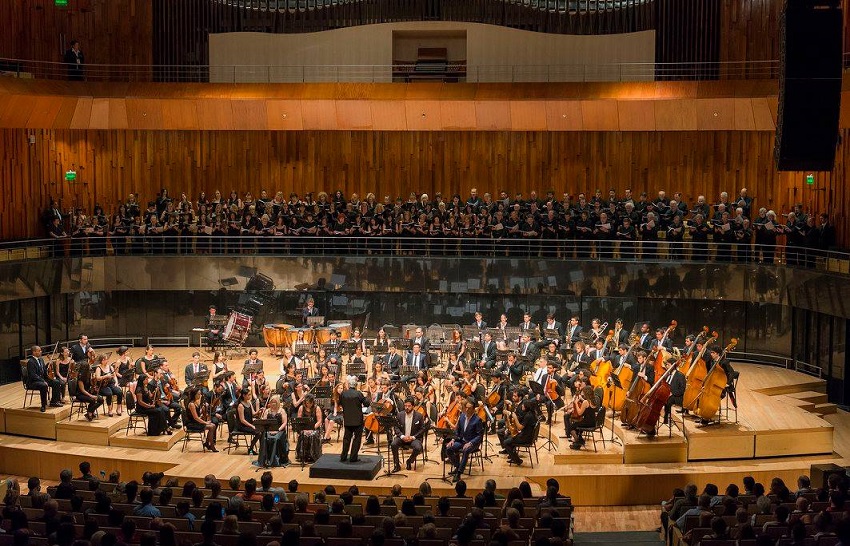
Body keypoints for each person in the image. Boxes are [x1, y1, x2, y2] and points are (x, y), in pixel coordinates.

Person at [446, 399, 483, 482]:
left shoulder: (477, 420)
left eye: (468, 408)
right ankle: (457, 466)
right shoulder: (462, 416)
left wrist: (470, 443)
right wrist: (453, 439)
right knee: (449, 448)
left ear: (473, 409)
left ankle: (459, 473)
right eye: (465, 408)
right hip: (462, 441)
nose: (466, 409)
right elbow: (457, 431)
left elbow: (479, 436)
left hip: (473, 443)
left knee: (466, 450)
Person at [339, 375, 369, 463]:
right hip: (357, 421)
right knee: (357, 439)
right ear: (356, 385)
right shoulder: (358, 393)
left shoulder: (343, 393)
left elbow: (341, 403)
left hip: (347, 420)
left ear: (348, 385)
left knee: (346, 439)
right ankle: (353, 457)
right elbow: (366, 403)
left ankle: (343, 456)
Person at [391, 398, 426, 473]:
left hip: (414, 438)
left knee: (418, 447)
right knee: (393, 444)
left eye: (409, 406)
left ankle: (410, 461)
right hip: (402, 437)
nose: (407, 407)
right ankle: (397, 465)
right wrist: (402, 436)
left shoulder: (419, 416)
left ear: (413, 406)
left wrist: (413, 437)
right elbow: (396, 427)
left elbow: (422, 429)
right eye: (405, 406)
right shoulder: (400, 415)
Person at [26, 345, 63, 412]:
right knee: (43, 385)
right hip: (33, 382)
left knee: (56, 382)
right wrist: (43, 381)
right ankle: (43, 405)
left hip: (42, 379)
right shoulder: (30, 362)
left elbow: (44, 371)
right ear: (34, 352)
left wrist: (50, 376)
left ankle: (54, 401)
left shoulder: (41, 359)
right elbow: (33, 375)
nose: (41, 351)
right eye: (39, 351)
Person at [501, 399, 537, 465]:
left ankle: (517, 460)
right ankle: (513, 457)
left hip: (525, 438)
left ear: (526, 407)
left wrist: (515, 418)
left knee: (506, 442)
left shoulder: (528, 416)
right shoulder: (532, 413)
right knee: (509, 437)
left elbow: (520, 427)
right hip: (528, 435)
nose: (522, 406)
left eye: (523, 405)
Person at [259, 395, 290, 466]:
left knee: (276, 439)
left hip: (280, 430)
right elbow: (264, 422)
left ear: (278, 403)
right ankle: (267, 459)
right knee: (265, 438)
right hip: (269, 430)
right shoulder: (267, 411)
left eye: (275, 402)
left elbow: (285, 422)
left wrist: (278, 430)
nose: (273, 404)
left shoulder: (282, 411)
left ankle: (277, 459)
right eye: (271, 402)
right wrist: (269, 431)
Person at [185, 387, 218, 452]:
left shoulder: (195, 403)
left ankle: (207, 443)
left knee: (213, 425)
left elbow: (198, 414)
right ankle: (211, 445)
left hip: (195, 422)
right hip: (192, 424)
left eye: (200, 394)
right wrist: (205, 422)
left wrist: (203, 409)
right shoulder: (192, 404)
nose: (200, 396)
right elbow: (195, 418)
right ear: (194, 395)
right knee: (211, 426)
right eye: (198, 394)